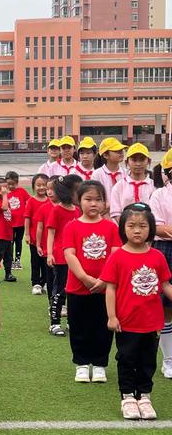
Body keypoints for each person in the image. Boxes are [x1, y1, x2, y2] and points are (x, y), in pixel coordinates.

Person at [102, 203, 172, 420]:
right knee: (126, 358)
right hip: (126, 322)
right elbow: (110, 288)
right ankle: (127, 396)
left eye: (142, 226)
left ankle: (144, 395)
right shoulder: (117, 257)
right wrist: (112, 316)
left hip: (151, 322)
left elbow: (165, 285)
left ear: (151, 228)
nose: (137, 230)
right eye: (131, 225)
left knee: (148, 360)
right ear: (123, 228)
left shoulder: (157, 257)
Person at [63, 181, 121, 383]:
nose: (93, 203)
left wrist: (105, 280)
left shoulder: (111, 227)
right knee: (79, 326)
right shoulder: (72, 226)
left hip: (106, 289)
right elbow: (70, 254)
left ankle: (99, 364)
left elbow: (115, 254)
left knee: (102, 327)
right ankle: (81, 363)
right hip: (78, 288)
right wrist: (85, 278)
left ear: (105, 203)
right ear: (79, 201)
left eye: (98, 199)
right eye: (88, 199)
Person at [46, 174, 82, 336]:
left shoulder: (78, 210)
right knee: (59, 290)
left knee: (73, 290)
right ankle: (54, 322)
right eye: (77, 191)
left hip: (76, 256)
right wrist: (49, 254)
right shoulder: (57, 210)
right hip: (61, 256)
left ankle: (72, 321)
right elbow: (51, 233)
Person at [149, 148, 172, 378]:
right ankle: (168, 360)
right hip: (166, 250)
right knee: (166, 307)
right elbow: (159, 228)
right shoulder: (159, 195)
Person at [110, 143, 155, 222]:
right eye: (134, 160)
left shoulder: (154, 186)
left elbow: (156, 212)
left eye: (142, 159)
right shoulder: (119, 186)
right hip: (125, 230)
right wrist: (128, 228)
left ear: (148, 161)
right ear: (127, 162)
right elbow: (116, 213)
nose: (138, 163)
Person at [35, 176, 59, 302]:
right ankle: (52, 302)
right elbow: (39, 228)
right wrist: (38, 244)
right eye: (48, 189)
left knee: (61, 278)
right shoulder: (44, 208)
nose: (49, 192)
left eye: (52, 189)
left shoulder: (68, 208)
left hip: (63, 250)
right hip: (48, 248)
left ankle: (61, 302)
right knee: (50, 277)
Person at [24, 174, 49, 295]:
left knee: (47, 262)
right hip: (35, 238)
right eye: (38, 185)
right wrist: (27, 234)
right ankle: (36, 283)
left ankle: (45, 282)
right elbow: (27, 218)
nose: (41, 187)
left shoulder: (51, 201)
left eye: (44, 185)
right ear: (34, 186)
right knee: (36, 261)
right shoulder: (31, 201)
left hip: (48, 239)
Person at [91, 137, 127, 214]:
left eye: (121, 150)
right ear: (105, 155)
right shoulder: (97, 174)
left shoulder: (126, 173)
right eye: (117, 151)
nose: (121, 153)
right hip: (104, 214)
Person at [0, 177, 15, 282]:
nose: (4, 190)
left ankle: (8, 273)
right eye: (1, 188)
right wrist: (5, 195)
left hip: (8, 234)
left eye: (5, 188)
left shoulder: (6, 201)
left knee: (8, 256)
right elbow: (4, 208)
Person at [5, 171, 31, 270]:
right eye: (9, 184)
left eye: (13, 184)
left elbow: (29, 202)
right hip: (10, 223)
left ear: (17, 183)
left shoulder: (22, 191)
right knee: (10, 242)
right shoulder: (5, 193)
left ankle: (18, 260)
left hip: (21, 222)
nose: (11, 186)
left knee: (18, 241)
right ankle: (10, 260)